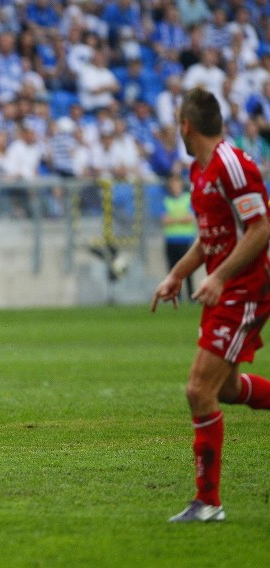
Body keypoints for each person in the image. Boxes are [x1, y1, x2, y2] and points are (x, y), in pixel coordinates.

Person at [151, 87, 270, 522]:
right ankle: (208, 503)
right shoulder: (202, 172)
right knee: (224, 388)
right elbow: (211, 236)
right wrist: (179, 275)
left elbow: (260, 229)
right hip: (225, 288)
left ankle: (209, 503)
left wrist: (218, 276)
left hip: (244, 289)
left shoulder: (232, 166)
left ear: (186, 126)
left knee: (198, 389)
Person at [160, 174, 197, 300]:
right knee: (173, 269)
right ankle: (176, 295)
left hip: (185, 239)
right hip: (171, 239)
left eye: (177, 184)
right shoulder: (166, 200)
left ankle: (191, 296)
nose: (175, 187)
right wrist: (181, 219)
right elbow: (164, 220)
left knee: (188, 269)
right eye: (173, 185)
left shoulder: (187, 198)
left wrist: (174, 219)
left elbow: (191, 218)